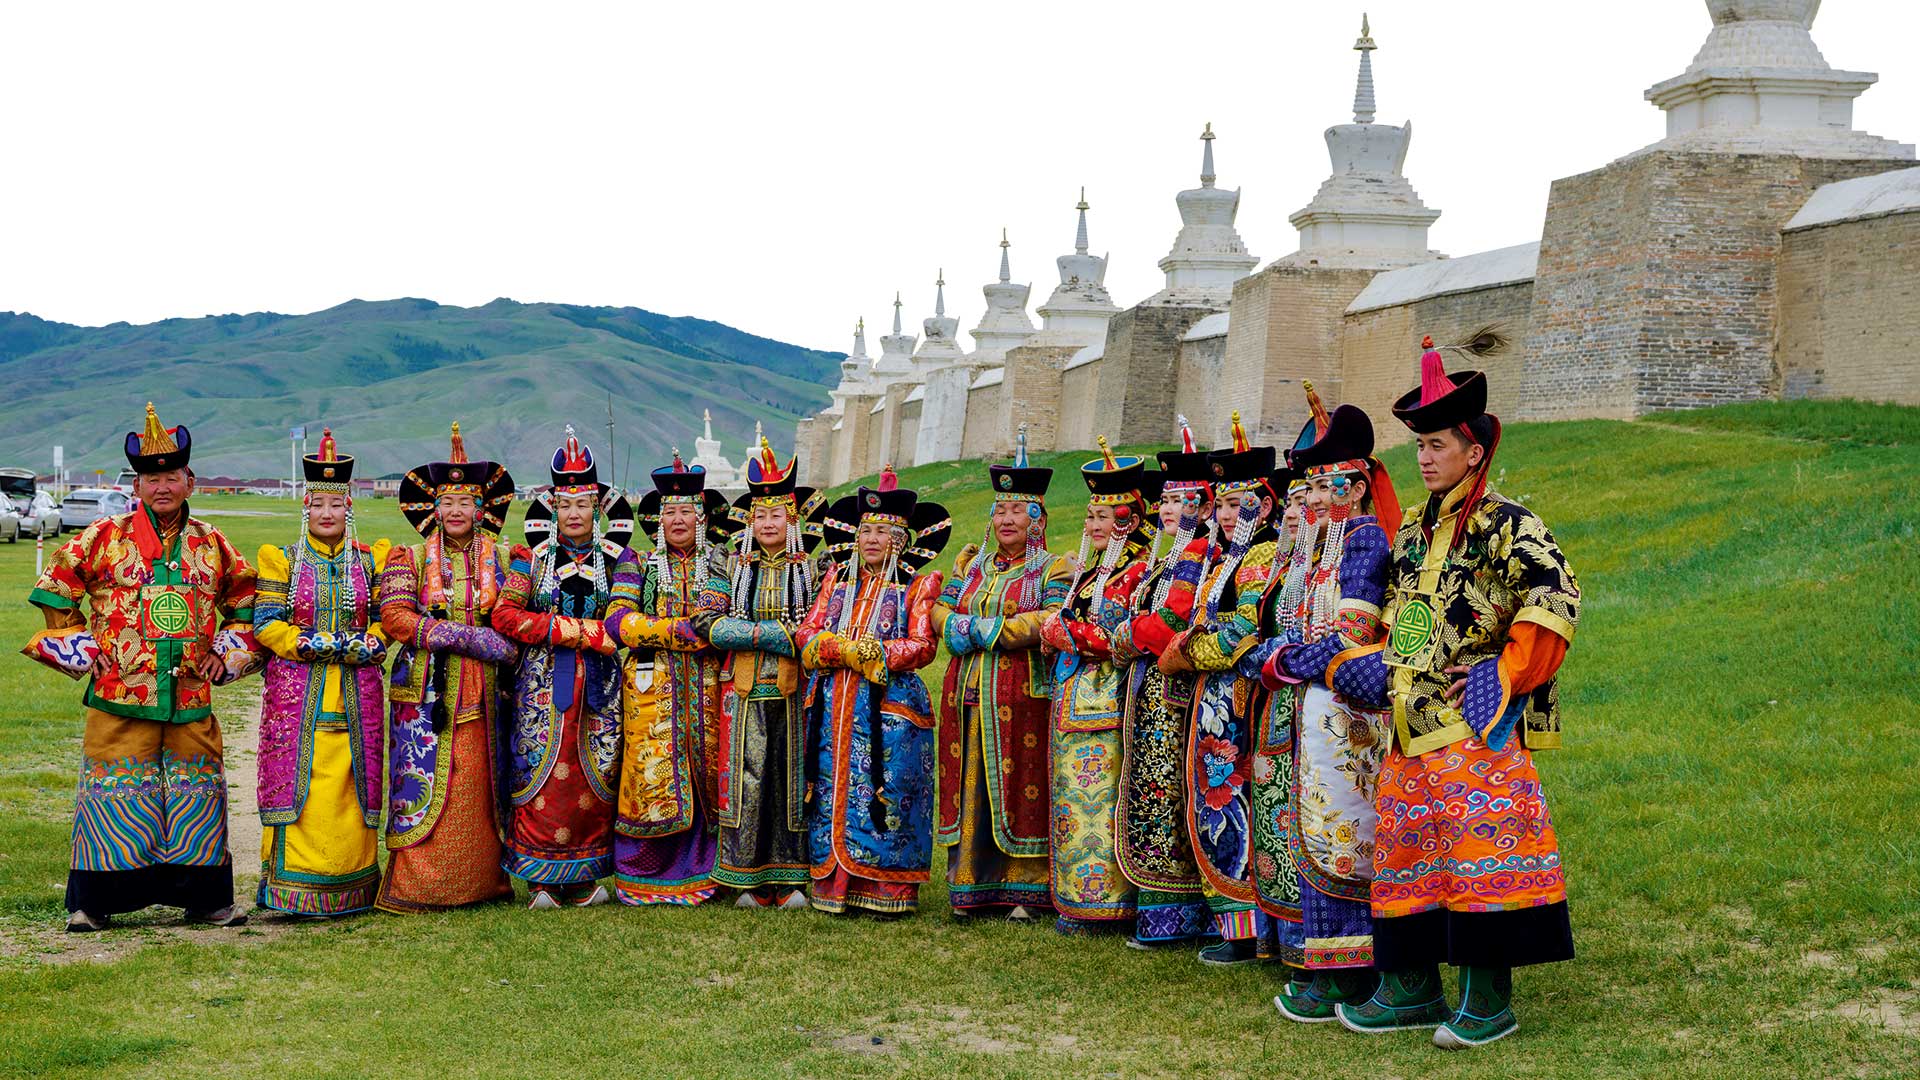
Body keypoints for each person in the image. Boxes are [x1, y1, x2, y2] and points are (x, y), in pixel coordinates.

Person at [1271, 333, 1580, 1048]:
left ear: (1474, 450)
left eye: (1438, 444)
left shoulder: (1509, 523)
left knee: (1482, 854)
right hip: (1411, 724)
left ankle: (1487, 1000)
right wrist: (1374, 662)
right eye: (1419, 446)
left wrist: (1507, 672)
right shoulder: (1412, 530)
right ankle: (1409, 987)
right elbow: (1407, 621)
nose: (1426, 456)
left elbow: (1554, 595)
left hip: (1478, 724)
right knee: (1407, 850)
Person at [25, 404, 259, 931]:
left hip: (190, 696)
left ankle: (206, 901)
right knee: (113, 793)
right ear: (138, 484)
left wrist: (228, 653)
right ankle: (93, 904)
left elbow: (246, 602)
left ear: (189, 481)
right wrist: (84, 649)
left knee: (196, 794)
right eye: (152, 478)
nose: (162, 487)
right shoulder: (103, 537)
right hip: (120, 694)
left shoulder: (212, 542)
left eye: (172, 477)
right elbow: (56, 589)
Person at [1245, 385, 1403, 1019]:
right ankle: (1321, 961)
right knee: (1309, 834)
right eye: (1308, 488)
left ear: (1358, 486)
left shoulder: (1365, 543)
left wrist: (1281, 662)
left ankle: (1350, 970)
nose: (1313, 498)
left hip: (1347, 716)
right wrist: (1276, 655)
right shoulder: (1314, 550)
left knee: (1342, 839)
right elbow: (1285, 629)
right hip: (1310, 708)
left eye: (1327, 486)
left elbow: (1354, 635)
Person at [376, 423, 519, 914]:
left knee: (480, 783)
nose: (456, 511)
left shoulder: (505, 557)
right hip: (425, 694)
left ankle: (484, 883)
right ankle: (420, 887)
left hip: (489, 694)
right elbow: (394, 616)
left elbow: (518, 616)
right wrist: (470, 638)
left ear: (481, 508)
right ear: (434, 507)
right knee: (428, 779)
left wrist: (503, 644)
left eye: (466, 502)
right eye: (448, 501)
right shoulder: (409, 557)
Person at [795, 465, 950, 917]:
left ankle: (886, 886)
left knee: (887, 789)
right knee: (830, 788)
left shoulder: (918, 585)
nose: (872, 540)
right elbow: (807, 632)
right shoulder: (837, 582)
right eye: (866, 531)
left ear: (901, 540)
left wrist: (869, 653)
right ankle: (833, 882)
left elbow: (922, 646)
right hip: (832, 705)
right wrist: (831, 647)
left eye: (883, 531)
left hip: (887, 709)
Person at [493, 427, 639, 909]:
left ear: (597, 507)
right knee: (538, 769)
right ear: (553, 507)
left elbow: (622, 619)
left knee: (595, 773)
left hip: (600, 686)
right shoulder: (528, 560)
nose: (574, 514)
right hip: (540, 684)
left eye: (583, 504)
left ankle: (585, 877)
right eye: (565, 504)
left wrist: (600, 632)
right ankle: (539, 879)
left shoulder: (622, 559)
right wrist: (570, 631)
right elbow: (505, 616)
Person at [933, 428, 1071, 921]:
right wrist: (962, 626)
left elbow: (1047, 623)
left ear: (1038, 519)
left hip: (1023, 695)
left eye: (1017, 511)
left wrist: (984, 630)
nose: (1006, 518)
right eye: (1000, 510)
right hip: (968, 693)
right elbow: (939, 614)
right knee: (969, 782)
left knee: (1021, 783)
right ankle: (971, 884)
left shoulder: (1054, 568)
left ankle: (1026, 890)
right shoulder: (973, 565)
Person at [251, 429, 390, 917]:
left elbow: (385, 618)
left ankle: (354, 884)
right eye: (318, 505)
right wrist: (310, 644)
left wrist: (372, 640)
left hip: (358, 691)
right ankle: (292, 888)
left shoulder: (373, 560)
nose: (326, 513)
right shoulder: (281, 559)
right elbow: (266, 624)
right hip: (298, 692)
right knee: (299, 781)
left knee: (355, 779)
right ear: (305, 509)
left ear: (348, 507)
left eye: (335, 504)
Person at [1161, 411, 1283, 965]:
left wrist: (1183, 653)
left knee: (1233, 804)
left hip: (1236, 698)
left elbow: (1241, 629)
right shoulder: (1225, 556)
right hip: (1211, 700)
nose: (1232, 516)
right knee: (1216, 804)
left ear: (1265, 504)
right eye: (1226, 506)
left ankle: (1247, 928)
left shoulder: (1260, 556)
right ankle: (1230, 923)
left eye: (1241, 505)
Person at [1039, 437, 1157, 934]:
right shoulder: (1091, 573)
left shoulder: (1139, 572)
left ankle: (1107, 904)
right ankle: (1074, 900)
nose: (1090, 527)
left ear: (1126, 522)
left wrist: (1061, 631)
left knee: (1104, 799)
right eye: (1089, 518)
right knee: (1073, 799)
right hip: (1075, 695)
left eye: (1101, 520)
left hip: (1109, 697)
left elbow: (1119, 634)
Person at [604, 449, 731, 906]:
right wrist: (680, 631)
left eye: (687, 511)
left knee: (709, 770)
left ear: (702, 517)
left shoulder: (722, 560)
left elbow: (716, 623)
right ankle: (645, 873)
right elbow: (618, 622)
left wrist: (656, 630)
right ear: (658, 517)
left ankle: (709, 870)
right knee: (650, 775)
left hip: (709, 686)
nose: (678, 519)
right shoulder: (636, 563)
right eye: (670, 511)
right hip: (649, 688)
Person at [704, 440, 826, 908]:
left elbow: (818, 627)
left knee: (791, 776)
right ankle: (743, 878)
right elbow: (710, 625)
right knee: (746, 778)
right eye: (761, 515)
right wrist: (775, 635)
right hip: (742, 686)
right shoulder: (727, 561)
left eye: (778, 515)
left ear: (792, 519)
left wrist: (751, 631)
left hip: (799, 691)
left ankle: (793, 878)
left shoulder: (817, 565)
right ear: (750, 519)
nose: (768, 524)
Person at [1110, 418, 1216, 948]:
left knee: (1166, 794)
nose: (1171, 509)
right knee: (1152, 793)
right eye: (1167, 500)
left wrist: (1125, 635)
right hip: (1149, 690)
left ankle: (1175, 912)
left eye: (1184, 499)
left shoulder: (1199, 554)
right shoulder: (1170, 554)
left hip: (1170, 693)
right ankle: (1155, 910)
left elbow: (1172, 622)